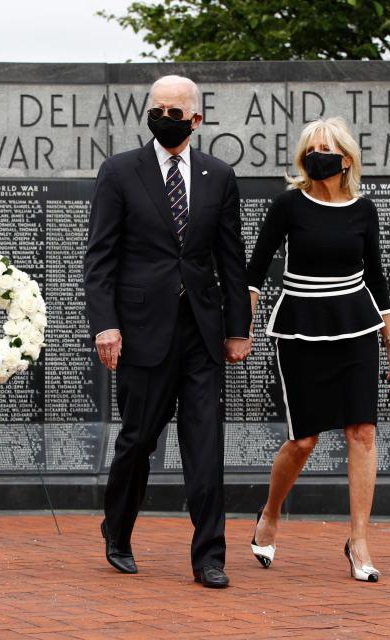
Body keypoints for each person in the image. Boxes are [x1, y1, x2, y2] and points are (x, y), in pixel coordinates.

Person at [84, 75, 252, 588]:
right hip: (140, 331)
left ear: (196, 120)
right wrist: (106, 325)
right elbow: (100, 258)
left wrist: (238, 329)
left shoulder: (219, 175)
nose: (165, 117)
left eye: (175, 111)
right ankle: (118, 531)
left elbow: (231, 257)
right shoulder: (119, 172)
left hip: (201, 332)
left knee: (205, 445)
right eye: (157, 109)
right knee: (137, 441)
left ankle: (209, 557)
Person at [245, 117, 390, 582]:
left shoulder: (364, 210)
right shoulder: (287, 205)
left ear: (346, 158)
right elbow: (255, 270)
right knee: (304, 440)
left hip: (356, 326)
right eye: (310, 148)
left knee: (362, 433)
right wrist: (243, 323)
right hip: (301, 327)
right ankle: (271, 513)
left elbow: (376, 279)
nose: (317, 155)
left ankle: (358, 540)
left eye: (325, 148)